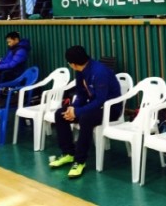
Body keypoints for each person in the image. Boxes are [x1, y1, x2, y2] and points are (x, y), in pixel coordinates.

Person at [49, 45, 122, 178]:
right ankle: (68, 153)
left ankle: (80, 161)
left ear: (73, 64)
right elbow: (81, 94)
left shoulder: (99, 72)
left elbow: (100, 100)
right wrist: (73, 108)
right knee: (60, 114)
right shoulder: (80, 70)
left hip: (110, 109)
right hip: (94, 106)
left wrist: (78, 112)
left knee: (85, 118)